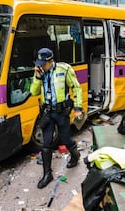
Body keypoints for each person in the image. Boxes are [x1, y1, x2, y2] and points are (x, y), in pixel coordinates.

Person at [30, 48, 83, 189]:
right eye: (39, 63)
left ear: (51, 61)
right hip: (47, 113)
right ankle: (47, 174)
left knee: (65, 140)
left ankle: (75, 155)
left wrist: (78, 108)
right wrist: (37, 78)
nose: (40, 66)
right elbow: (33, 92)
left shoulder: (64, 69)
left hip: (61, 113)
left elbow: (76, 88)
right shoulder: (40, 73)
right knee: (46, 144)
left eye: (43, 63)